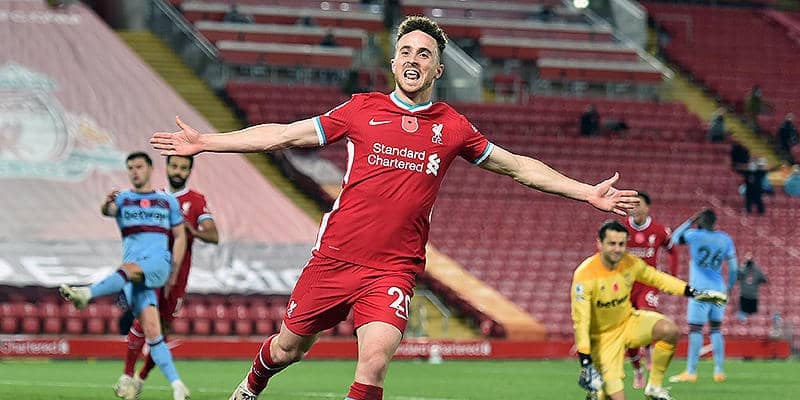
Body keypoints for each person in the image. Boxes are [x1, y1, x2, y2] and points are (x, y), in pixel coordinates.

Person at [150, 16, 640, 400]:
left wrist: (586, 192)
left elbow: (517, 167)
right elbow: (282, 134)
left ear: (438, 69)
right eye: (406, 51)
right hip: (334, 259)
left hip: (393, 268)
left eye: (424, 54)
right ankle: (252, 384)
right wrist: (207, 142)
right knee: (287, 348)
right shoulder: (361, 110)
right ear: (393, 61)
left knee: (375, 363)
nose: (413, 59)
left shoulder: (453, 127)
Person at [59, 152, 191, 400]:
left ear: (150, 169)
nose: (135, 171)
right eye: (130, 168)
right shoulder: (124, 199)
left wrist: (174, 270)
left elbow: (180, 235)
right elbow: (107, 211)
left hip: (157, 264)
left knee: (129, 269)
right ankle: (177, 386)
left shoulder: (166, 201)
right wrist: (105, 203)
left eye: (139, 166)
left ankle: (86, 294)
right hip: (133, 276)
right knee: (153, 332)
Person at [571, 220, 727, 400]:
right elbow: (581, 321)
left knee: (669, 330)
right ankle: (598, 394)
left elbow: (657, 278)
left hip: (628, 322)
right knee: (613, 395)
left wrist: (694, 293)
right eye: (612, 244)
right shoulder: (585, 274)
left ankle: (654, 387)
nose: (617, 249)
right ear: (599, 243)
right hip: (603, 338)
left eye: (621, 244)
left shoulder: (630, 263)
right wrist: (586, 361)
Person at [114, 155, 219, 400]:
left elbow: (213, 236)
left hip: (178, 277)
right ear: (167, 168)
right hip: (152, 271)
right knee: (143, 321)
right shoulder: (154, 198)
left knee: (164, 329)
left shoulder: (196, 201)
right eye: (174, 166)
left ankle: (140, 378)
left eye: (184, 167)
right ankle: (126, 375)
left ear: (189, 171)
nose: (178, 171)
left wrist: (191, 230)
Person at [668, 208, 737, 384]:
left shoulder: (694, 235)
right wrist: (729, 287)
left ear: (700, 221)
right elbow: (734, 267)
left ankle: (691, 371)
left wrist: (690, 220)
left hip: (700, 289)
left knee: (696, 329)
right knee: (716, 329)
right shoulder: (725, 239)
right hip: (719, 289)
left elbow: (674, 238)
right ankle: (719, 371)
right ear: (715, 222)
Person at [621, 192, 679, 389]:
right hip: (626, 285)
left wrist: (672, 276)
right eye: (632, 205)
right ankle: (638, 370)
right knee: (629, 331)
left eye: (638, 204)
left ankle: (648, 349)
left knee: (647, 315)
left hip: (648, 284)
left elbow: (673, 251)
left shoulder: (659, 230)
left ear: (647, 207)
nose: (635, 208)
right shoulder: (622, 229)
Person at [736, 252, 767, 323]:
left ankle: (744, 319)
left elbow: (764, 279)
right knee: (749, 315)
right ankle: (743, 318)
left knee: (750, 316)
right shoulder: (754, 269)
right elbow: (764, 280)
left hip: (749, 297)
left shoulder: (755, 269)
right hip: (748, 296)